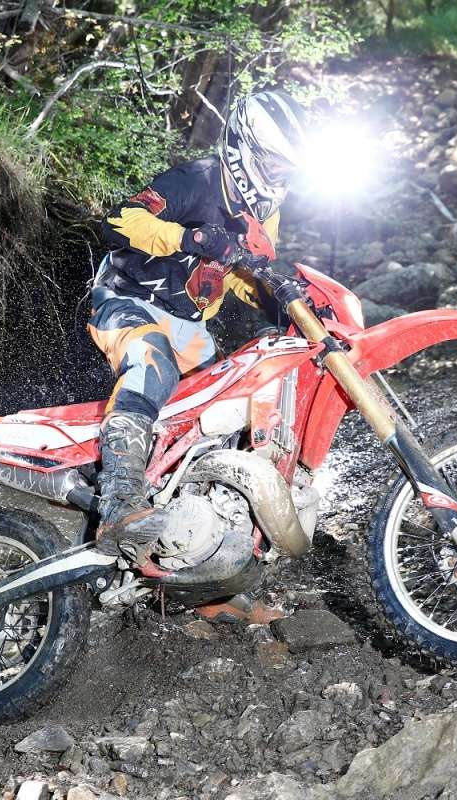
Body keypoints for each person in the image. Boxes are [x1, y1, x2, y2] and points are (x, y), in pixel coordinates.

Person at [89, 90, 308, 563]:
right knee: (153, 367)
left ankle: (203, 547)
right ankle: (119, 504)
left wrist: (280, 301)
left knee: (230, 410)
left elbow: (247, 270)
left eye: (288, 170)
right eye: (274, 166)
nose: (280, 178)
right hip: (127, 302)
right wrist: (188, 237)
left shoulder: (266, 212)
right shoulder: (197, 180)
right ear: (244, 149)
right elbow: (117, 222)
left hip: (190, 326)